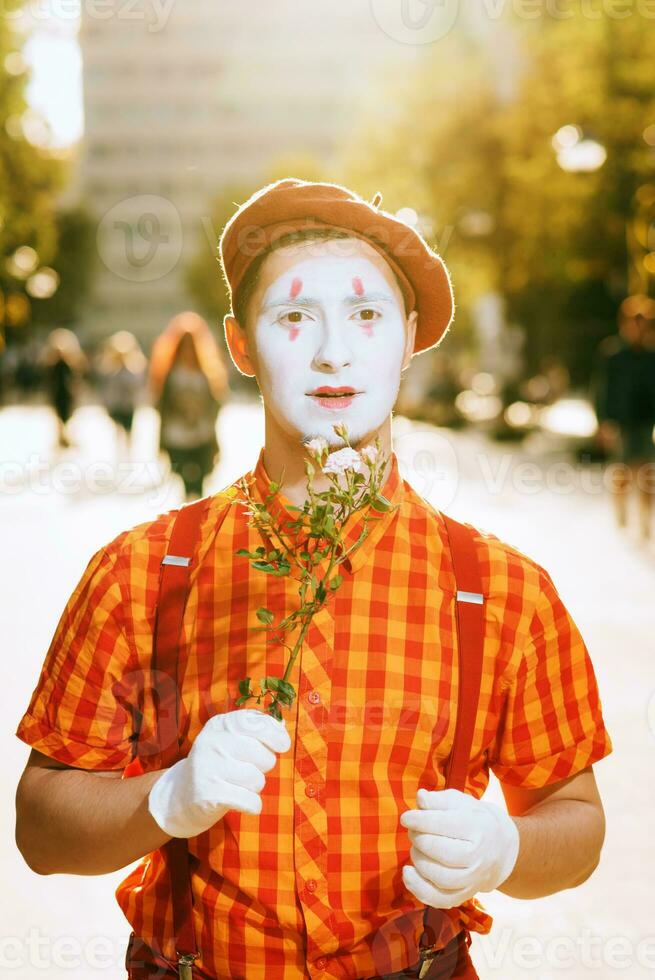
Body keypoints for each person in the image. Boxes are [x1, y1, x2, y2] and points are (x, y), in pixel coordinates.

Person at [15, 179, 613, 980]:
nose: (333, 351)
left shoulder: (501, 591)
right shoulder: (141, 572)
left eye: (365, 316)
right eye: (293, 317)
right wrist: (165, 798)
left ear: (406, 339)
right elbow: (41, 830)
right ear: (240, 346)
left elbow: (576, 827)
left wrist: (506, 850)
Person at [591, 294, 655, 541]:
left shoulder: (651, 356)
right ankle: (620, 518)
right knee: (622, 473)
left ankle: (645, 522)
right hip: (620, 422)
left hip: (645, 422)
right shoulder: (612, 354)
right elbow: (601, 390)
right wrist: (602, 423)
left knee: (647, 473)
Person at [149, 312, 229, 501]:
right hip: (177, 437)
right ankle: (189, 517)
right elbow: (161, 408)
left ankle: (197, 519)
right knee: (186, 480)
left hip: (202, 436)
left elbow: (215, 406)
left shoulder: (207, 374)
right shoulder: (170, 375)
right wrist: (160, 442)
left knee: (199, 483)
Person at [94, 330, 147, 459]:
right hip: (116, 404)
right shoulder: (111, 369)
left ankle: (128, 450)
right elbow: (106, 387)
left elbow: (137, 384)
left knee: (128, 428)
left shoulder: (133, 369)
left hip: (128, 404)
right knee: (118, 428)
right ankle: (120, 450)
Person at [39, 327, 88, 449]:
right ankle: (62, 436)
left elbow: (79, 375)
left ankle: (66, 436)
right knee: (60, 416)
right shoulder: (53, 363)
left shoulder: (71, 362)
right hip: (58, 392)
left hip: (68, 393)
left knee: (69, 415)